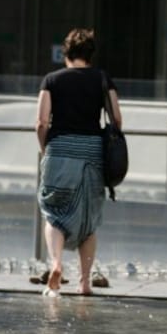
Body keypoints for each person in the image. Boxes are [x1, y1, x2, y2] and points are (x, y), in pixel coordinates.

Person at [35, 28, 121, 297]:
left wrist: (46, 149)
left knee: (54, 213)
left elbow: (40, 122)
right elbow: (116, 118)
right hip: (92, 153)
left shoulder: (51, 80)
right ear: (90, 55)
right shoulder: (102, 79)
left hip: (59, 149)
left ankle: (57, 264)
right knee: (89, 221)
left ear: (66, 53)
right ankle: (85, 283)